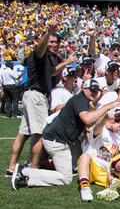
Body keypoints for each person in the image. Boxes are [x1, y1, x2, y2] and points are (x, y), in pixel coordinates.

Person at [11, 79, 120, 190]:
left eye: (96, 91)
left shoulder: (82, 100)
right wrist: (108, 107)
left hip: (58, 138)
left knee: (74, 166)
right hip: (57, 140)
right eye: (92, 90)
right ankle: (25, 173)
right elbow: (87, 118)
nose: (94, 93)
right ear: (84, 89)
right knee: (66, 178)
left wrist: (85, 132)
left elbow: (81, 118)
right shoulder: (80, 100)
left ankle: (30, 171)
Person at [7, 19, 76, 178]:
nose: (53, 44)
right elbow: (40, 49)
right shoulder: (40, 52)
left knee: (23, 134)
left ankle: (11, 168)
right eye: (50, 41)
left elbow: (52, 72)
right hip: (36, 96)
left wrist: (66, 62)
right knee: (39, 133)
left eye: (55, 42)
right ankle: (34, 168)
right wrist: (48, 32)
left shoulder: (48, 58)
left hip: (31, 95)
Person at [77, 107, 120, 201]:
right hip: (93, 167)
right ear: (109, 119)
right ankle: (85, 187)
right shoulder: (102, 129)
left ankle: (111, 188)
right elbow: (97, 127)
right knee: (84, 157)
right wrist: (105, 117)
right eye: (117, 120)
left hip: (108, 171)